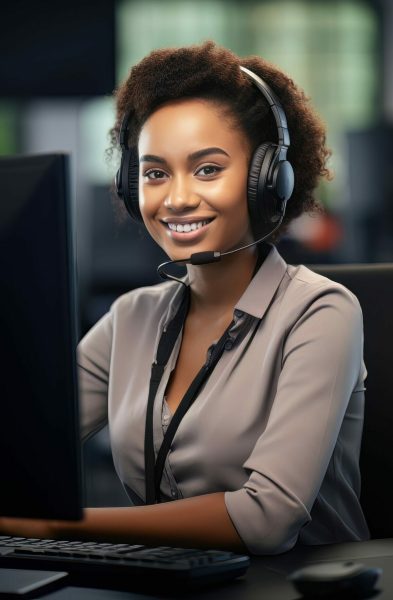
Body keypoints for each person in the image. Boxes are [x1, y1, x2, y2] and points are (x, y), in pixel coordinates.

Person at [0, 40, 369, 555]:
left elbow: (267, 519)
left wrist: (61, 527)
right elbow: (22, 448)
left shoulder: (320, 312)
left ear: (269, 180)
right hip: (163, 584)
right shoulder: (130, 318)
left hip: (297, 586)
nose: (175, 198)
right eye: (154, 173)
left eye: (208, 169)